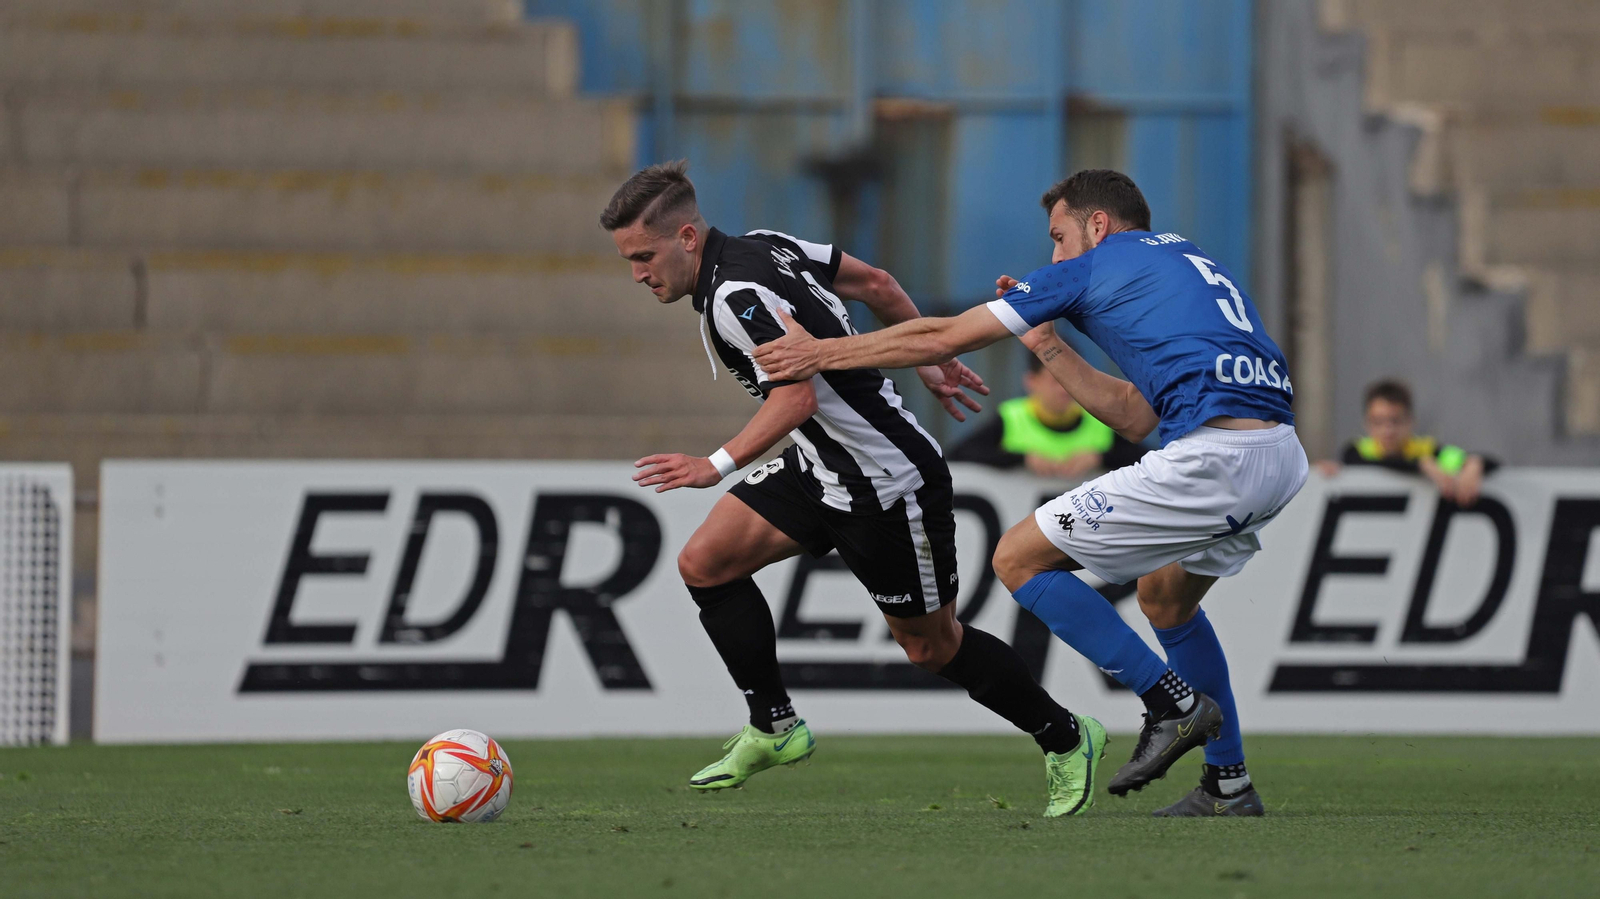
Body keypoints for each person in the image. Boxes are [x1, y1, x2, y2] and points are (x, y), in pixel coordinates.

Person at [754, 169, 1309, 817]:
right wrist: (1044, 339)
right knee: (1166, 599)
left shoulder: (1093, 265)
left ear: (1097, 225)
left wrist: (822, 351)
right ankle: (1229, 785)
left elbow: (940, 338)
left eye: (1059, 236)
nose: (1053, 255)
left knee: (1017, 558)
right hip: (1277, 453)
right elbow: (1134, 415)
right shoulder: (1189, 261)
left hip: (1215, 456)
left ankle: (1171, 702)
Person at [603, 160, 1113, 818]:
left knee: (933, 645)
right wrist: (934, 362)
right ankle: (775, 724)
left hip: (884, 481)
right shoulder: (768, 244)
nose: (640, 273)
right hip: (822, 465)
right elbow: (875, 282)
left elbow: (795, 396)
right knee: (706, 562)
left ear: (689, 237)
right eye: (629, 260)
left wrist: (716, 463)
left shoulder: (736, 300)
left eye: (645, 255)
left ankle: (1067, 736)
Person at [949, 350, 1147, 477]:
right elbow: (958, 455)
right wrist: (1021, 460)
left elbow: (1147, 460)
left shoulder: (1100, 419)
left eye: (1070, 380)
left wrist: (1099, 459)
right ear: (1031, 381)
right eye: (1056, 381)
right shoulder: (1010, 418)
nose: (1064, 390)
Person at [1317, 379, 1495, 507]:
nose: (1388, 430)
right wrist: (1420, 465)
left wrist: (1474, 464)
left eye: (1395, 421)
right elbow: (1366, 463)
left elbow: (1481, 461)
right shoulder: (1357, 451)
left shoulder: (1427, 450)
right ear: (1366, 424)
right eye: (1378, 422)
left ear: (1411, 421)